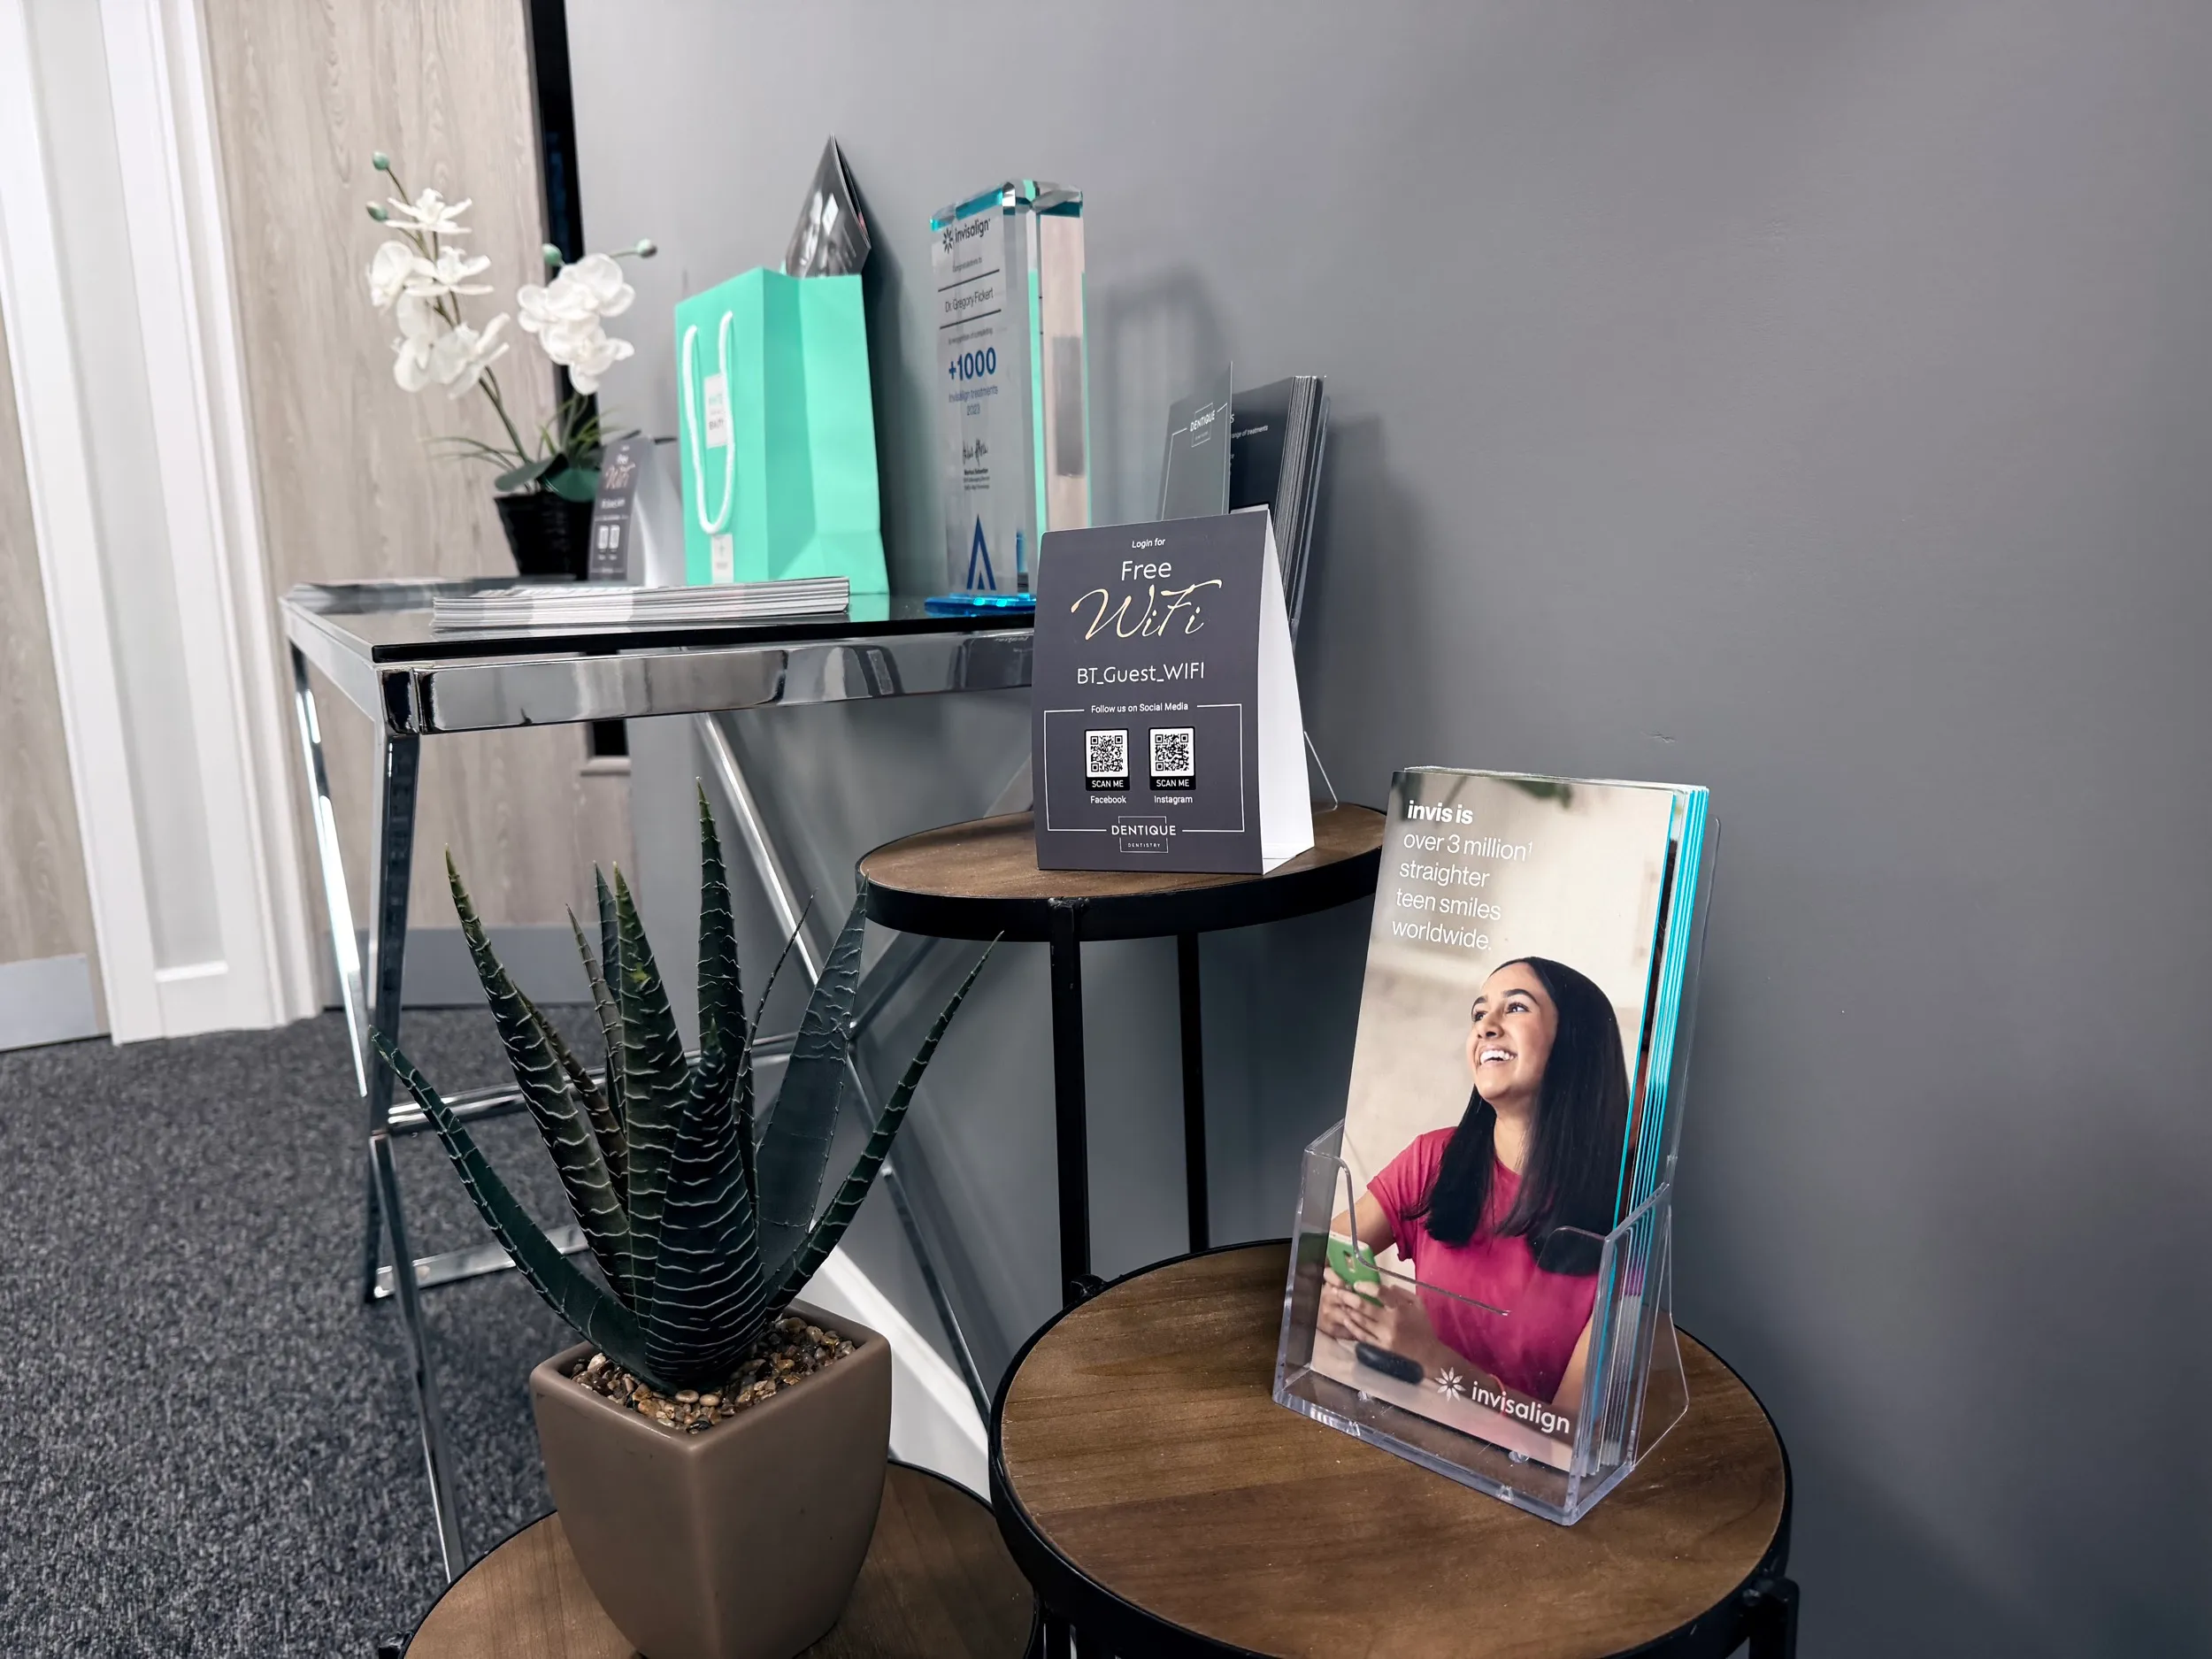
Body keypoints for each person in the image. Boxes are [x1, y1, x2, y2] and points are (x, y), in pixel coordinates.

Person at [1319, 956, 1632, 1415]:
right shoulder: (1432, 1160)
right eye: (1479, 1012)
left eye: (1517, 1008)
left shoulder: (1626, 1221)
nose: (1486, 1025)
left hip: (1517, 1479)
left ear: (1576, 1044)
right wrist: (1327, 1304)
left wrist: (1433, 1361)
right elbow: (1317, 1255)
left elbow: (1563, 1441)